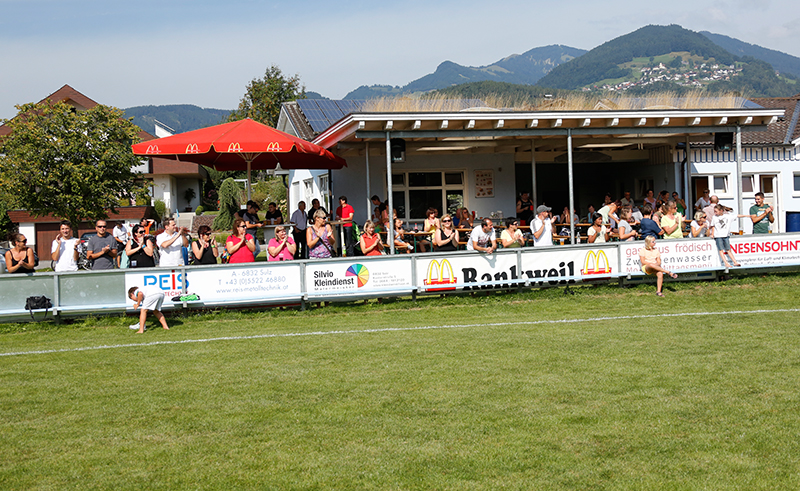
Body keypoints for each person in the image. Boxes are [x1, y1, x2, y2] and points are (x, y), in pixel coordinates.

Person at [709, 204, 741, 268]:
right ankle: (726, 263)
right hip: (718, 236)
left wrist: (748, 216)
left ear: (721, 211)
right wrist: (712, 234)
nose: (715, 213)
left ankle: (735, 262)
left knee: (728, 249)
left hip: (725, 235)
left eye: (716, 211)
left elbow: (737, 216)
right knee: (721, 250)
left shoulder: (727, 216)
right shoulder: (714, 217)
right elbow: (713, 226)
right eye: (714, 211)